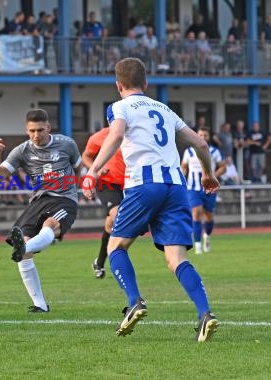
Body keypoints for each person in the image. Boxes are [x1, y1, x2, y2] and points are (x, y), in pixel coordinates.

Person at [83, 58, 219, 342]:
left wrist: (93, 171)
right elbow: (201, 144)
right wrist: (208, 174)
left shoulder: (118, 107)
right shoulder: (164, 109)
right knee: (175, 258)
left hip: (144, 184)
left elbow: (117, 134)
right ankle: (205, 313)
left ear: (118, 85)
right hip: (176, 186)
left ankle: (134, 302)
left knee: (115, 247)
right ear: (146, 84)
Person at [0, 108, 82, 313]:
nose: (36, 135)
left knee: (51, 226)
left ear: (48, 127)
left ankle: (26, 246)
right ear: (26, 130)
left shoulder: (67, 144)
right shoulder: (22, 150)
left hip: (64, 199)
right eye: (32, 131)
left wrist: (77, 188)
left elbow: (78, 168)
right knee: (23, 247)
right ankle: (40, 304)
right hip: (38, 200)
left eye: (40, 130)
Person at [82, 111, 125, 279]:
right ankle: (119, 258)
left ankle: (99, 262)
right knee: (117, 215)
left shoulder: (133, 134)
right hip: (106, 183)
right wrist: (96, 170)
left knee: (110, 225)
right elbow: (86, 156)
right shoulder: (98, 137)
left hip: (128, 183)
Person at [181, 127, 226, 254]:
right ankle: (198, 245)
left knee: (208, 216)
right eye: (200, 135)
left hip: (209, 189)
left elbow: (223, 167)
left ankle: (207, 235)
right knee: (196, 212)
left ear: (209, 137)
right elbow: (184, 167)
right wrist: (181, 175)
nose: (203, 137)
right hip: (193, 188)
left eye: (205, 135)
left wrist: (212, 176)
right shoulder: (189, 152)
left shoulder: (214, 152)